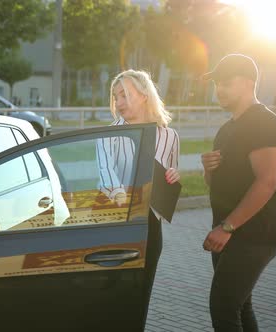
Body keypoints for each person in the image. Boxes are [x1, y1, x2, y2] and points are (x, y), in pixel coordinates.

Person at [201, 54, 276, 332]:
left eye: (226, 83)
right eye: (216, 84)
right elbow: (217, 185)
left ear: (248, 83)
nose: (219, 89)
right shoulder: (227, 128)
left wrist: (227, 227)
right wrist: (208, 169)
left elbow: (268, 182)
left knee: (223, 306)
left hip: (255, 233)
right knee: (240, 305)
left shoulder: (264, 122)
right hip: (228, 232)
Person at [96, 69, 181, 325]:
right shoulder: (107, 136)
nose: (119, 103)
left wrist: (174, 176)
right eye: (115, 97)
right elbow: (106, 177)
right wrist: (121, 196)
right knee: (111, 296)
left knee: (141, 296)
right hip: (116, 222)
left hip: (150, 227)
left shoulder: (170, 136)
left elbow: (171, 174)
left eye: (125, 95)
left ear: (144, 95)